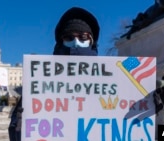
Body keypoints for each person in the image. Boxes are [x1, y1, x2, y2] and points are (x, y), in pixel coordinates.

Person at [8, 6, 100, 141]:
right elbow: (15, 133)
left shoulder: (111, 79)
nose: (76, 42)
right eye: (69, 37)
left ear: (91, 41)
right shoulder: (40, 80)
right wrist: (19, 126)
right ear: (60, 41)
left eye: (83, 37)